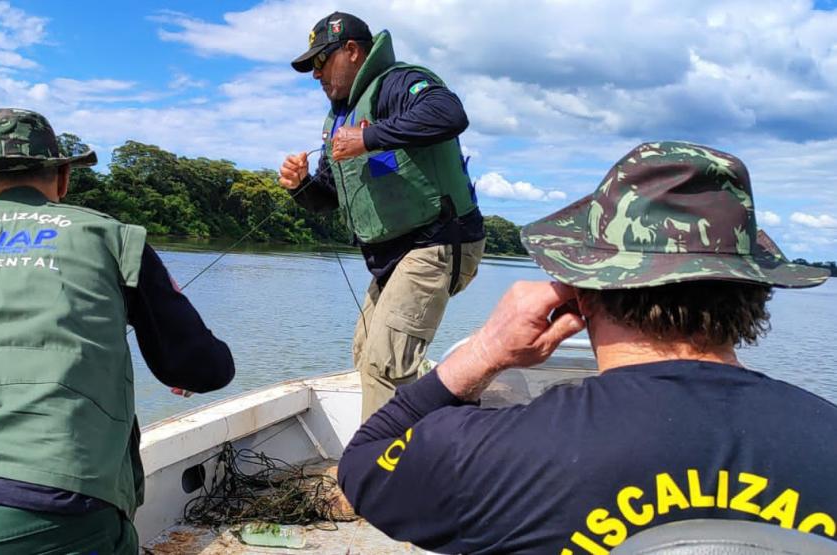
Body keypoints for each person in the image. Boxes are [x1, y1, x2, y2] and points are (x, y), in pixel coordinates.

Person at [337, 142, 837, 553]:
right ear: (754, 291)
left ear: (583, 289)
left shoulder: (501, 454)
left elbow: (364, 464)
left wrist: (487, 348)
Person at [0, 109, 235, 553]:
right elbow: (205, 369)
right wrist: (180, 363)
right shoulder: (110, 236)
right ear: (64, 177)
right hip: (62, 509)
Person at [279, 12, 486, 421]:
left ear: (352, 51)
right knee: (366, 351)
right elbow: (328, 199)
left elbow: (449, 113)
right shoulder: (341, 118)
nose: (316, 76)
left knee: (384, 363)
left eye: (321, 62)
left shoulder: (397, 82)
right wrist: (301, 185)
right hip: (393, 257)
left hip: (439, 240)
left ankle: (377, 477)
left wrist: (369, 136)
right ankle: (449, 410)